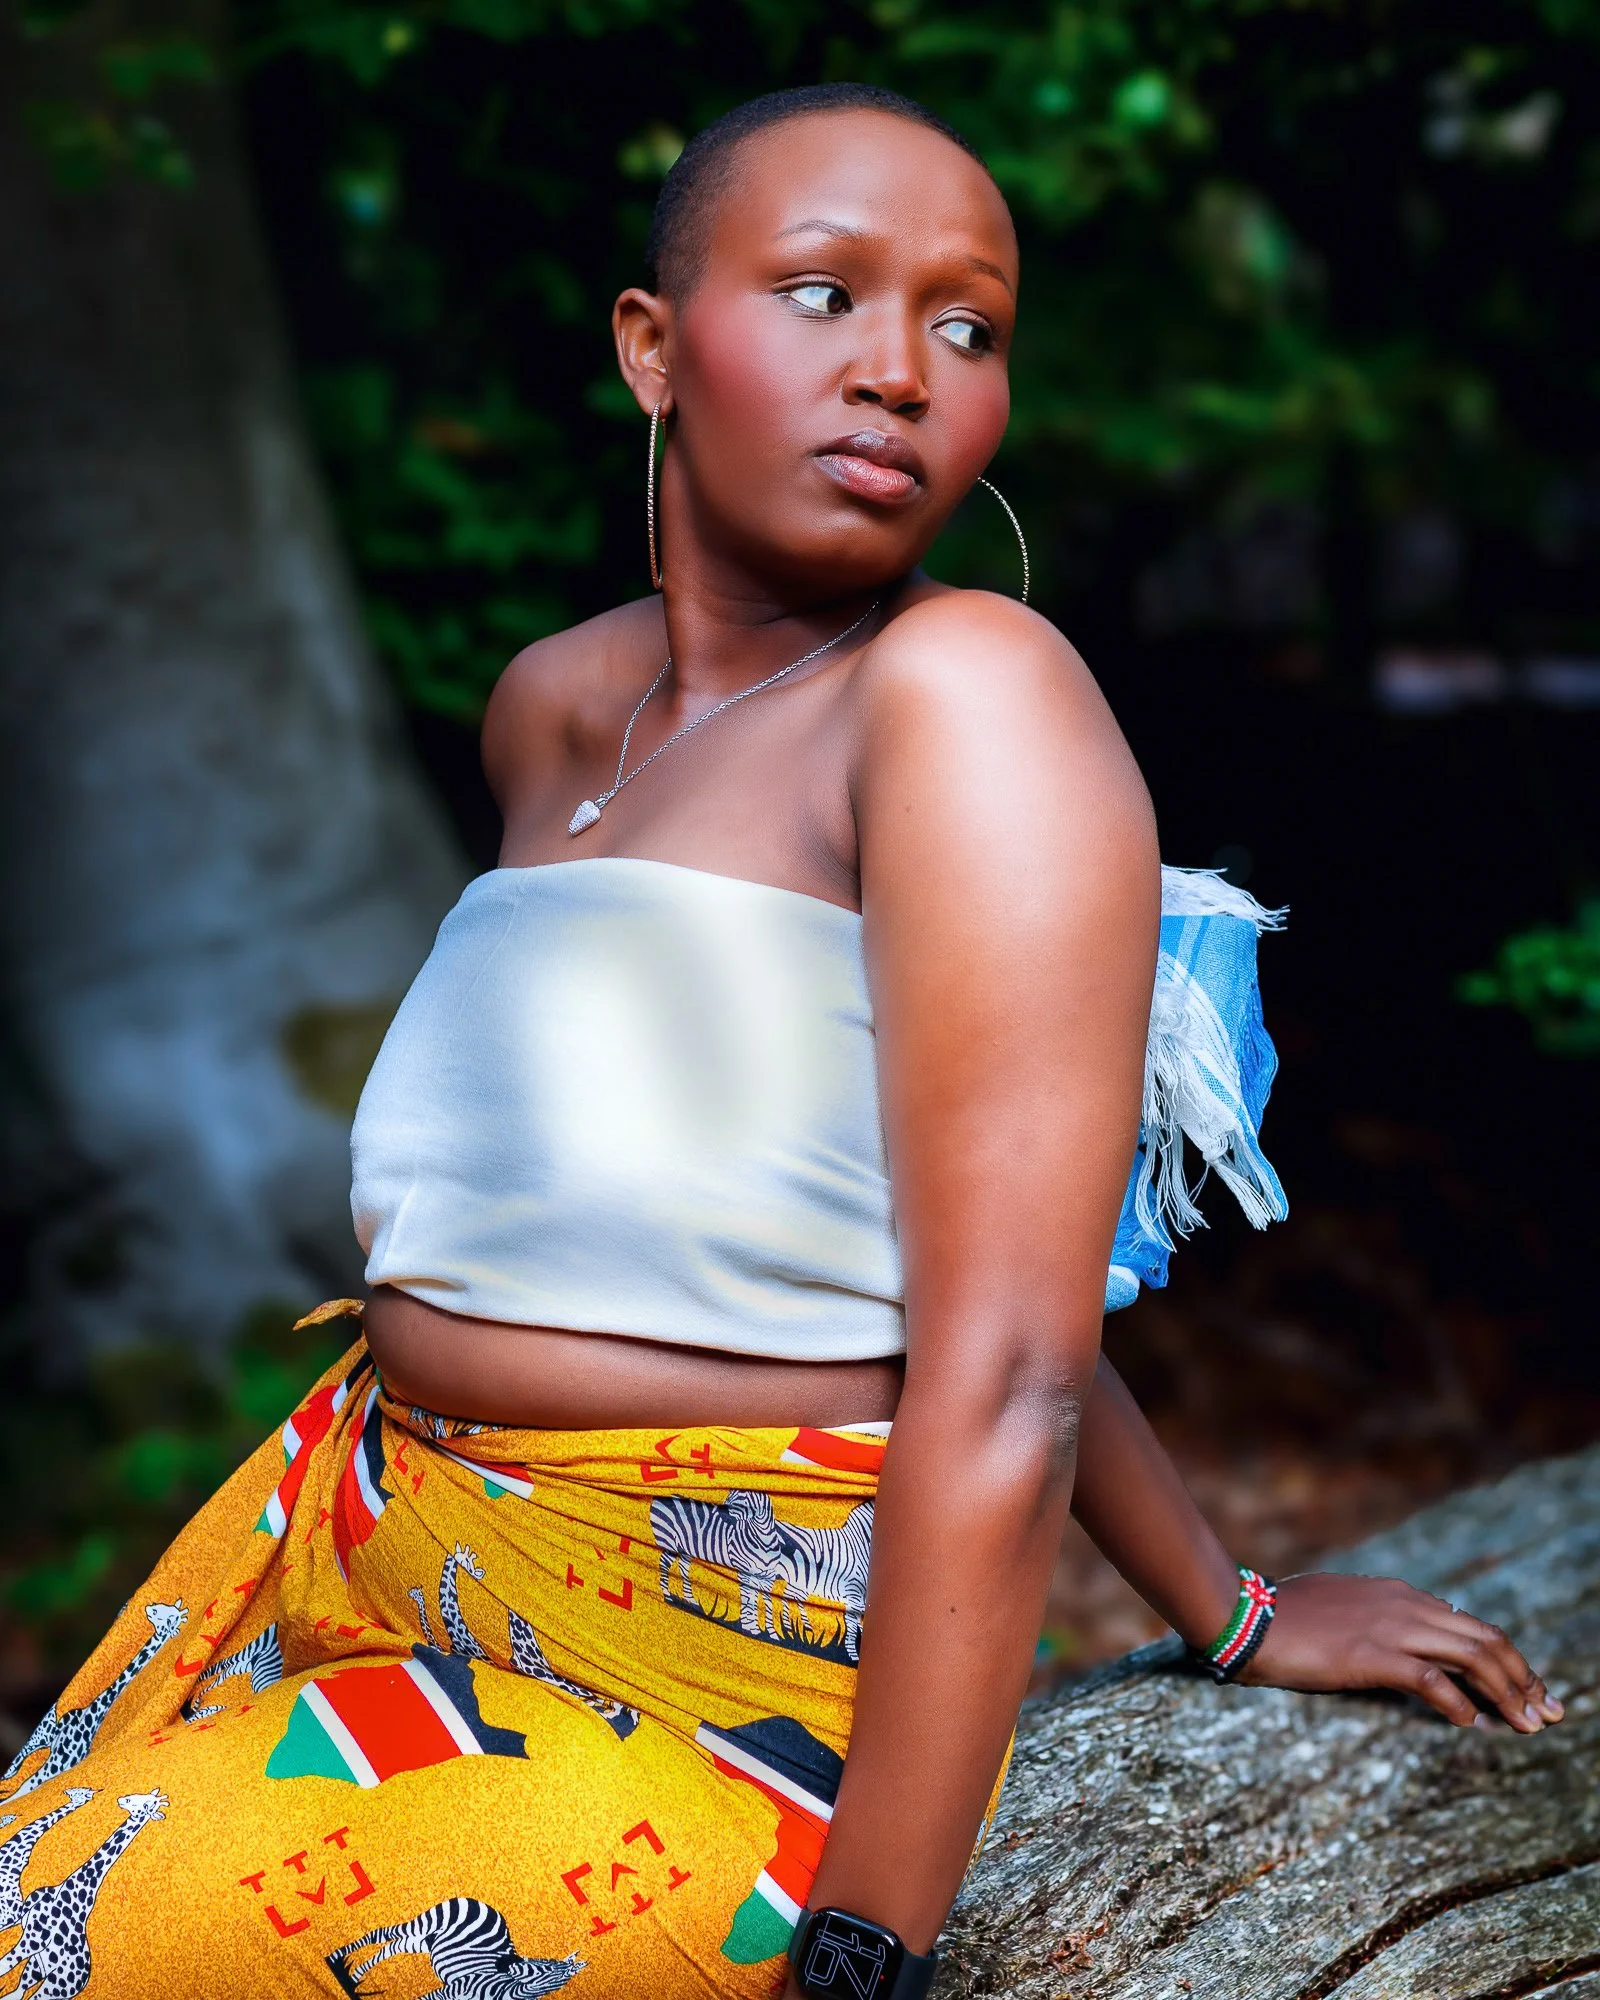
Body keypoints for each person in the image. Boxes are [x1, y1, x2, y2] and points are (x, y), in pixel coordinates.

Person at [1, 84, 1561, 2000]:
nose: (902, 372)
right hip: (375, 1557)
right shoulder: (552, 711)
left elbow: (1005, 1356)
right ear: (651, 348)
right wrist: (1228, 1598)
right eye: (826, 295)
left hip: (723, 1688)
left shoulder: (964, 697)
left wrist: (875, 1944)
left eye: (966, 326)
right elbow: (863, 1225)